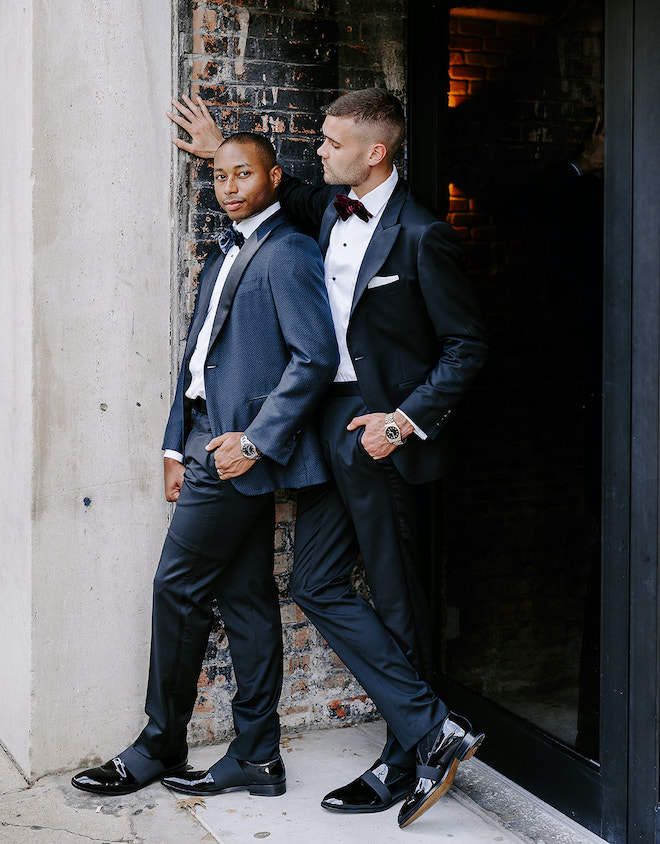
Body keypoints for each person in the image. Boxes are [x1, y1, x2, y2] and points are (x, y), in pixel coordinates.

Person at [166, 89, 488, 828]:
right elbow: (278, 181)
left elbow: (467, 346)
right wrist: (219, 144)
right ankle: (433, 729)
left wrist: (403, 423)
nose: (318, 150)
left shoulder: (421, 236)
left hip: (378, 433)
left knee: (397, 597)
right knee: (314, 582)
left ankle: (405, 757)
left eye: (332, 142)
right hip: (321, 431)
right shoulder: (322, 207)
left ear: (375, 152)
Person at [71, 133, 339, 799]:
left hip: (234, 455)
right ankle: (258, 757)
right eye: (219, 176)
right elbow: (198, 361)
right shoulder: (230, 249)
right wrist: (173, 446)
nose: (229, 187)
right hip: (203, 446)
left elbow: (315, 358)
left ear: (274, 178)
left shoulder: (289, 251)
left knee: (176, 588)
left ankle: (159, 744)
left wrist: (252, 441)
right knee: (245, 600)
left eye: (242, 174)